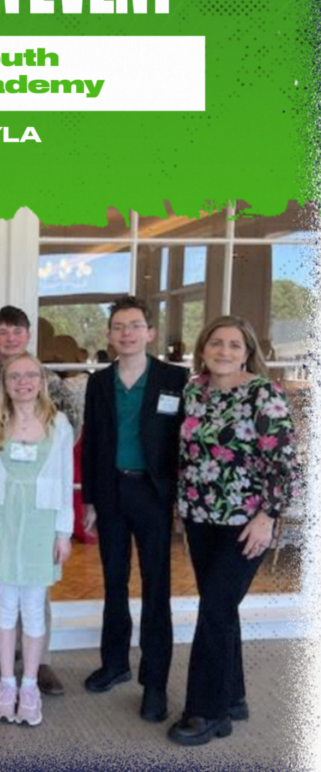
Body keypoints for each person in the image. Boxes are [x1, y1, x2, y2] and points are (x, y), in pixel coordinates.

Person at [168, 316, 299, 746]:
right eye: (216, 343)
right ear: (203, 348)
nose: (224, 351)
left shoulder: (264, 394)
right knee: (219, 608)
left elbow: (284, 463)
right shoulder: (194, 390)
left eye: (234, 345)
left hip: (246, 522)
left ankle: (207, 711)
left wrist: (268, 516)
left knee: (214, 610)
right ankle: (234, 697)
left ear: (247, 352)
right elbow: (184, 451)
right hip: (200, 516)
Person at [81, 295, 187, 722]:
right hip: (110, 492)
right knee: (113, 582)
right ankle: (115, 663)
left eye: (135, 325)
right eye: (119, 326)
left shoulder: (175, 380)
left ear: (150, 333)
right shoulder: (99, 382)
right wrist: (88, 498)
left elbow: (185, 441)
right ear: (109, 336)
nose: (127, 333)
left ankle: (155, 683)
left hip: (154, 494)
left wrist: (181, 499)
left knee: (156, 588)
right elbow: (91, 443)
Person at [0, 304, 80, 696]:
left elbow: (70, 426)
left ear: (27, 335)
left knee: (35, 591)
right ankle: (6, 654)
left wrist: (46, 455)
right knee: (0, 587)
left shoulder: (48, 380)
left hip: (38, 500)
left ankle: (39, 660)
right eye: (2, 331)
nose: (10, 337)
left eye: (17, 331)